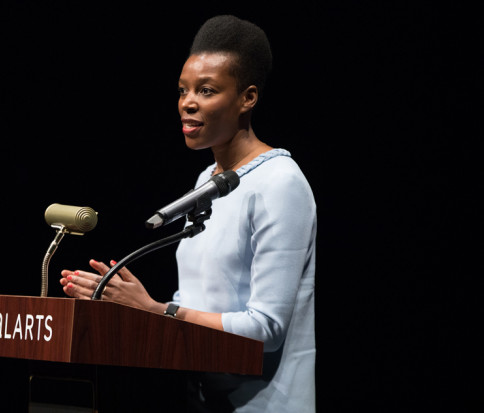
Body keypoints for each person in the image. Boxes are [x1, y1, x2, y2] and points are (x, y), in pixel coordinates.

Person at [60, 15, 317, 413]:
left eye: (207, 90)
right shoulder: (206, 181)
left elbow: (265, 331)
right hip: (201, 401)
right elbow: (194, 302)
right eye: (183, 90)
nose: (188, 102)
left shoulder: (280, 183)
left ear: (247, 98)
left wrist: (157, 310)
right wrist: (126, 310)